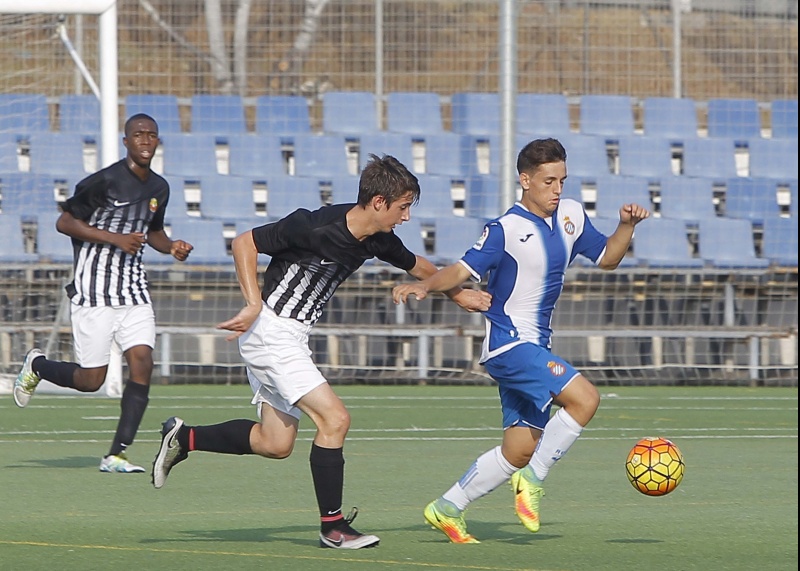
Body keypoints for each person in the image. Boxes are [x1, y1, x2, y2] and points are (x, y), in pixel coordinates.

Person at [150, 154, 492, 549]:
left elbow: (418, 266)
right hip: (270, 332)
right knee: (335, 419)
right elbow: (244, 242)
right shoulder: (313, 225)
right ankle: (333, 528)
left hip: (291, 337)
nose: (406, 217)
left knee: (275, 444)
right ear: (379, 202)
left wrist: (457, 292)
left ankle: (184, 437)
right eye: (403, 207)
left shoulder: (378, 239)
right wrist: (253, 303)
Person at [392, 138, 650, 543]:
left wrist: (627, 226)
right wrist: (425, 286)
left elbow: (607, 258)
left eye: (562, 180)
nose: (557, 189)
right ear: (525, 181)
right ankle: (534, 478)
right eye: (549, 181)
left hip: (536, 346)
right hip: (509, 345)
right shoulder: (504, 230)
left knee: (518, 450)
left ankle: (447, 507)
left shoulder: (571, 216)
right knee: (585, 398)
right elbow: (460, 270)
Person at [13, 113, 193, 473]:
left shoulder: (159, 188)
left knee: (142, 363)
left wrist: (171, 246)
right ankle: (38, 366)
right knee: (90, 380)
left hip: (133, 290)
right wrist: (115, 239)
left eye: (151, 135)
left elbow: (152, 231)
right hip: (94, 290)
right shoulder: (105, 181)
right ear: (126, 141)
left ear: (157, 142)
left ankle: (116, 454)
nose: (145, 141)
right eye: (138, 135)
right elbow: (65, 222)